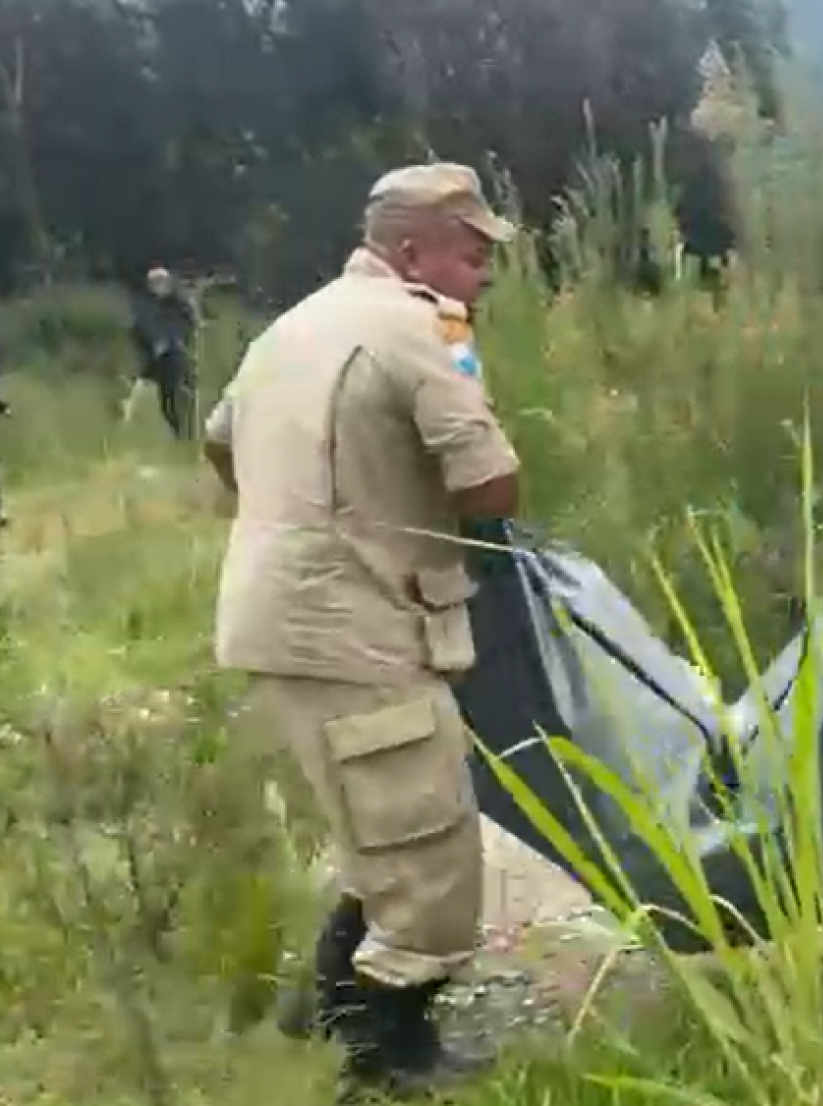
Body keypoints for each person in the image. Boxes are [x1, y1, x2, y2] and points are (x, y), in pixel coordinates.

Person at [201, 161, 521, 1102]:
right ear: (412, 250)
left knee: (372, 822)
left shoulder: (290, 325)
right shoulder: (417, 327)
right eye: (472, 253)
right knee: (427, 839)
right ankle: (388, 1056)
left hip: (282, 612)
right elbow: (492, 485)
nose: (484, 272)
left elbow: (221, 440)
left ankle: (329, 1010)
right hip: (351, 620)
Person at [130, 266, 199, 439]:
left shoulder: (180, 304)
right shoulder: (146, 305)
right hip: (154, 358)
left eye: (160, 282)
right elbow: (138, 329)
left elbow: (190, 326)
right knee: (152, 397)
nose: (157, 286)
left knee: (175, 399)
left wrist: (175, 340)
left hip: (176, 356)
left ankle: (183, 434)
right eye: (153, 283)